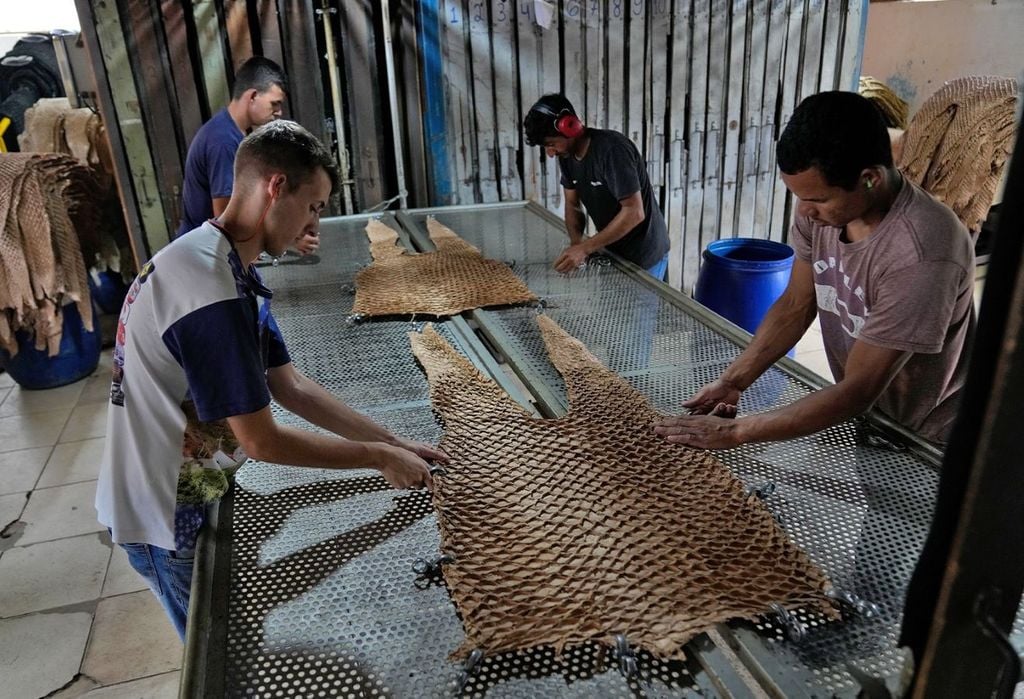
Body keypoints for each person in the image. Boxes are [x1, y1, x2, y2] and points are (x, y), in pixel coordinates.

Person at [96, 120, 446, 639]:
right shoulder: (208, 292)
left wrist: (393, 441)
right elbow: (261, 441)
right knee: (217, 644)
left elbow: (291, 386)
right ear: (275, 187)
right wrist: (376, 460)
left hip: (191, 482)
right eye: (313, 206)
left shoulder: (225, 262)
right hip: (164, 512)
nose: (314, 226)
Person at [655, 91, 975, 449]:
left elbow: (858, 390)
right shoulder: (823, 215)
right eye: (799, 197)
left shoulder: (923, 252)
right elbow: (796, 303)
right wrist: (734, 381)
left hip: (931, 436)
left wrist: (736, 432)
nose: (805, 211)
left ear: (870, 178)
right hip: (874, 418)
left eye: (819, 199)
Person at [177, 57, 317, 255]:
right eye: (274, 104)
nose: (279, 112)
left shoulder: (235, 132)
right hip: (201, 253)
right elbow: (228, 221)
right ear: (252, 96)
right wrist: (288, 239)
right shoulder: (223, 142)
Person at [523, 94, 671, 280]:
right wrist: (576, 244)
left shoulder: (612, 150)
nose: (551, 153)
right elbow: (572, 203)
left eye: (552, 144)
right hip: (614, 251)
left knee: (640, 310)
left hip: (645, 255)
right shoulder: (567, 157)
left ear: (570, 127)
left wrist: (585, 248)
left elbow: (634, 212)